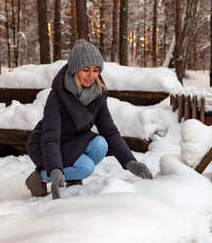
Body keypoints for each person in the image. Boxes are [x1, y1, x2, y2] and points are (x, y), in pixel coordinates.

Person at [26, 39, 153, 199]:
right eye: (86, 70)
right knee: (86, 167)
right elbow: (50, 137)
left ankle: (72, 178)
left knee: (100, 144)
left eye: (96, 70)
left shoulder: (97, 93)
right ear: (75, 70)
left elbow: (110, 131)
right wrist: (55, 169)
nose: (91, 76)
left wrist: (130, 162)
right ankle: (39, 177)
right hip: (46, 145)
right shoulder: (57, 96)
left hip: (74, 140)